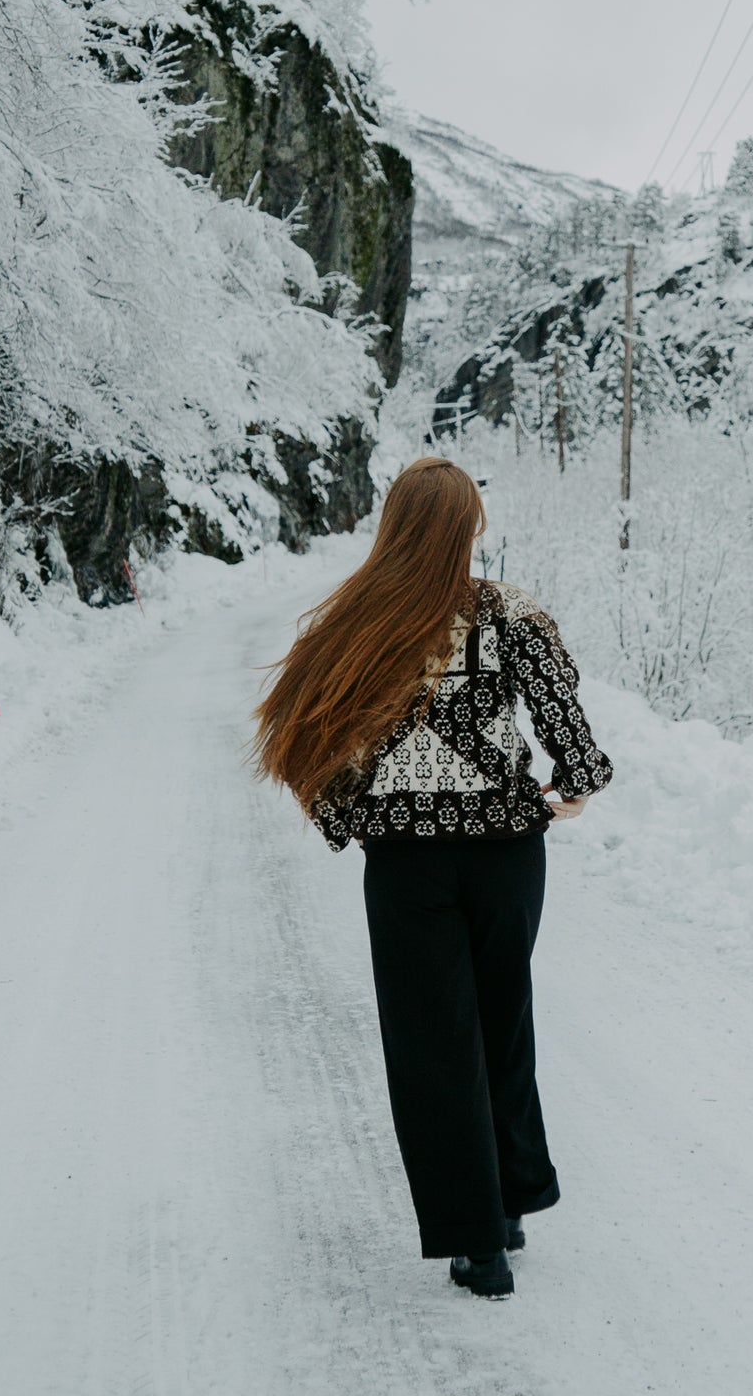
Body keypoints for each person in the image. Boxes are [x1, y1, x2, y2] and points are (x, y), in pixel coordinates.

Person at [252, 456, 612, 1298]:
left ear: (394, 525)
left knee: (431, 1041)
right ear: (468, 527)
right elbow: (570, 733)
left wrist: (348, 812)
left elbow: (292, 735)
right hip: (508, 856)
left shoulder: (357, 617)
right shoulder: (512, 612)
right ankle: (511, 1200)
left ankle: (477, 1243)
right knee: (500, 1017)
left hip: (407, 863)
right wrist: (570, 787)